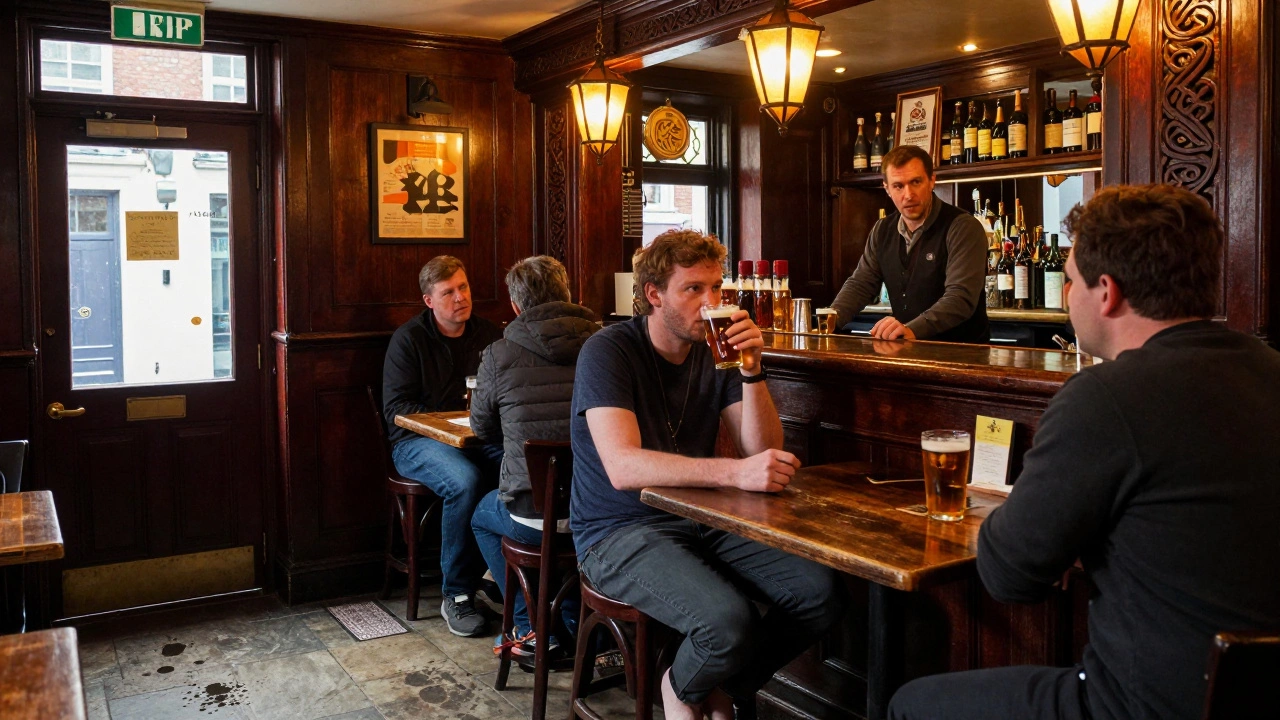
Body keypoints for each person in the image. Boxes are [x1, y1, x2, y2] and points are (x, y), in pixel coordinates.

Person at [888, 184, 1280, 720]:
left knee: (911, 705)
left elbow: (1008, 575)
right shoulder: (1267, 368)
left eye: (1069, 281)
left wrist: (1077, 531)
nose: (1066, 294)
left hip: (1144, 704)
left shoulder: (1107, 397)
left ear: (1108, 293)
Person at [571, 229, 845, 720]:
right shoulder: (608, 350)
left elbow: (762, 450)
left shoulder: (716, 352)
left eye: (717, 288)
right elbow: (622, 466)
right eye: (693, 289)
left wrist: (754, 369)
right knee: (725, 622)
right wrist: (734, 475)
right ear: (654, 295)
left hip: (700, 518)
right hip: (617, 530)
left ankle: (698, 687)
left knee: (819, 594)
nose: (711, 301)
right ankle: (682, 686)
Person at [469, 255, 598, 663]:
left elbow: (482, 429)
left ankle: (530, 625)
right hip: (597, 510)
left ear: (515, 306)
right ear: (568, 293)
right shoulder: (603, 342)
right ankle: (577, 624)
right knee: (566, 545)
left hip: (531, 515)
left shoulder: (498, 354)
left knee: (481, 517)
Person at [383, 255, 504, 637]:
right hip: (415, 442)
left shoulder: (489, 335)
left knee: (518, 466)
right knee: (465, 481)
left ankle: (497, 572)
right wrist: (447, 424)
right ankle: (458, 593)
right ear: (429, 300)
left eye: (464, 288)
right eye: (448, 292)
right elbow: (397, 409)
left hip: (478, 437)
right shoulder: (410, 339)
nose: (460, 298)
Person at [829, 144, 989, 343]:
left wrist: (912, 330)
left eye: (916, 182)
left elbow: (960, 298)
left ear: (932, 180)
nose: (908, 195)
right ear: (887, 189)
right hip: (909, 353)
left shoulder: (962, 227)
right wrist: (829, 321)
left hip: (961, 355)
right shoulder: (882, 230)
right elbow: (860, 285)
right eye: (898, 186)